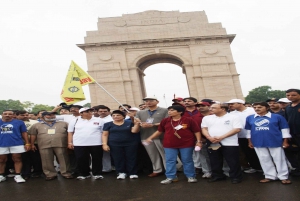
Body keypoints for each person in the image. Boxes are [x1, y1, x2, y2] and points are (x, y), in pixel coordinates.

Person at [145, 105, 201, 184]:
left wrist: (198, 141)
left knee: (187, 160)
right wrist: (150, 138)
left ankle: (190, 176)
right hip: (169, 144)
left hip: (186, 144)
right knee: (170, 160)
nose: (169, 112)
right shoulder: (165, 120)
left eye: (172, 110)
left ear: (180, 112)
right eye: (169, 110)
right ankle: (171, 177)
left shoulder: (189, 120)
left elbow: (196, 131)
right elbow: (159, 131)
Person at [246, 102, 292, 184]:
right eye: (255, 107)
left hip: (275, 141)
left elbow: (285, 129)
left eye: (260, 107)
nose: (257, 109)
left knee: (279, 159)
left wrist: (285, 141)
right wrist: (250, 141)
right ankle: (270, 176)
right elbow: (248, 131)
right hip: (258, 141)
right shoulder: (250, 118)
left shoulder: (277, 117)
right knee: (264, 159)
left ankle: (283, 176)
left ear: (267, 108)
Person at [201, 103, 243, 184]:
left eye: (213, 108)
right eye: (210, 107)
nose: (210, 109)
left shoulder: (233, 117)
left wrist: (222, 137)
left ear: (223, 109)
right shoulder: (207, 118)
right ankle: (218, 176)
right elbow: (204, 129)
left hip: (230, 143)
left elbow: (237, 129)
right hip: (212, 142)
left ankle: (236, 177)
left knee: (232, 161)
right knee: (214, 160)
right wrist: (209, 137)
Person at [29, 112, 73, 181]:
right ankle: (50, 174)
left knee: (64, 159)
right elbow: (33, 135)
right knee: (46, 160)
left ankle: (66, 173)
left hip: (60, 144)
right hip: (44, 145)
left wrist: (69, 143)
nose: (51, 116)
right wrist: (31, 144)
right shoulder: (36, 125)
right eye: (49, 115)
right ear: (43, 117)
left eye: (53, 115)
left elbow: (70, 133)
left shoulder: (63, 123)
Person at [68, 107, 105, 180]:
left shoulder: (99, 120)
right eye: (87, 111)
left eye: (91, 111)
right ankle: (84, 174)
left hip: (96, 143)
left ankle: (97, 173)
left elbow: (103, 132)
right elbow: (70, 132)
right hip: (79, 143)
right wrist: (69, 142)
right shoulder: (75, 120)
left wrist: (103, 143)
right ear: (81, 113)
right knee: (81, 159)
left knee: (97, 158)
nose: (90, 113)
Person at [102, 110, 140, 179]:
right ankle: (121, 172)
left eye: (118, 115)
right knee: (118, 158)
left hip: (130, 143)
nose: (115, 117)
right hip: (114, 144)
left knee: (131, 158)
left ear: (123, 116)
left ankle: (132, 173)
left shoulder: (129, 122)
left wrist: (136, 124)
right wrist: (104, 144)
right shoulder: (108, 124)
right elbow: (105, 135)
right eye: (113, 115)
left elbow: (134, 131)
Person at [227, 99, 262, 173]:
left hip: (255, 135)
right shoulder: (231, 113)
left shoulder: (252, 110)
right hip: (240, 136)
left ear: (240, 103)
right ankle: (254, 167)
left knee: (259, 152)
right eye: (230, 104)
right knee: (247, 152)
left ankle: (262, 167)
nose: (230, 105)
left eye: (232, 103)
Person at [136, 96, 168, 177]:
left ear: (157, 101)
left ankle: (169, 170)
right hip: (145, 136)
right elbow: (137, 122)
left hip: (160, 136)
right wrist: (140, 123)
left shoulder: (165, 110)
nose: (148, 102)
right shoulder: (140, 112)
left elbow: (167, 122)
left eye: (151, 100)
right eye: (146, 101)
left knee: (165, 154)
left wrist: (153, 125)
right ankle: (157, 169)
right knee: (152, 154)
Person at [0, 110, 31, 183]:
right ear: (2, 114)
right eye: (5, 114)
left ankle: (18, 175)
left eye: (9, 114)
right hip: (2, 143)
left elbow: (24, 133)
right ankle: (1, 175)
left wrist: (27, 143)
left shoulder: (19, 122)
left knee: (17, 159)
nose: (7, 115)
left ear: (13, 115)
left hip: (17, 143)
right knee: (1, 160)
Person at [285, 88, 300, 176]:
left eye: (293, 95)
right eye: (288, 95)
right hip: (293, 133)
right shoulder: (288, 107)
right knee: (292, 151)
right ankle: (296, 168)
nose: (290, 97)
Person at [98, 105, 113, 173]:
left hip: (110, 138)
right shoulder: (96, 119)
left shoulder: (112, 119)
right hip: (98, 139)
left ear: (109, 112)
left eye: (105, 111)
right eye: (100, 111)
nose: (103, 112)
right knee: (103, 155)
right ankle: (106, 168)